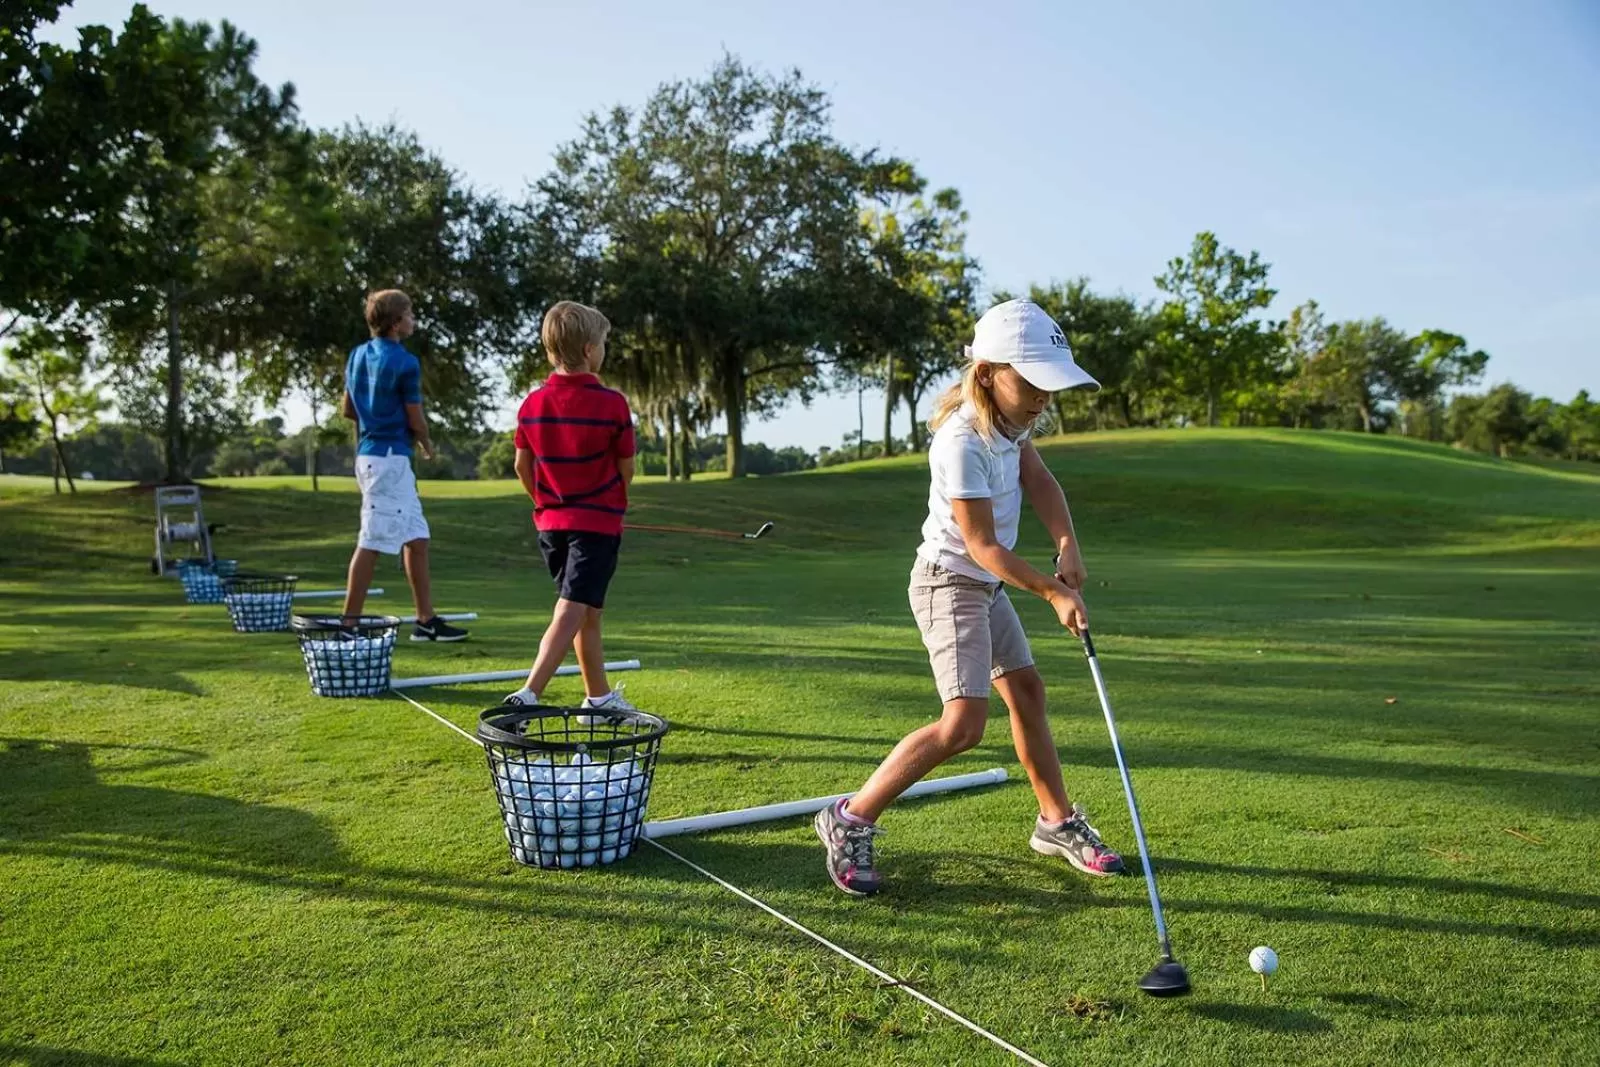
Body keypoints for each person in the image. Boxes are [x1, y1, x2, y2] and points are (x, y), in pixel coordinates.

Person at [814, 299, 1124, 895]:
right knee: (963, 724)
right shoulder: (960, 442)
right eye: (1032, 383)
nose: (1043, 398)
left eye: (1049, 386)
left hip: (983, 585)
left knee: (1028, 691)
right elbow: (982, 546)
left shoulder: (1015, 424)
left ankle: (1056, 823)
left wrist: (1068, 542)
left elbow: (1039, 480)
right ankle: (849, 816)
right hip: (949, 583)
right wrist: (1052, 591)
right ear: (987, 373)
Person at [502, 301, 638, 715]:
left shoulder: (531, 405)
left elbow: (522, 466)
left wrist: (544, 502)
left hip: (551, 525)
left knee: (586, 609)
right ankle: (529, 693)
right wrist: (611, 504)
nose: (604, 350)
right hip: (596, 525)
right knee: (572, 607)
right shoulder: (613, 404)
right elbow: (626, 468)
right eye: (603, 343)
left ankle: (598, 698)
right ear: (588, 351)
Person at [339, 289, 468, 642]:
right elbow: (416, 416)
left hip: (373, 456)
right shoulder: (405, 362)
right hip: (389, 460)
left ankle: (426, 622)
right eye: (410, 314)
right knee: (371, 540)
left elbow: (348, 410)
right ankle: (348, 625)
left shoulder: (356, 356)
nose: (413, 320)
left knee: (417, 538)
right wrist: (426, 442)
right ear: (396, 323)